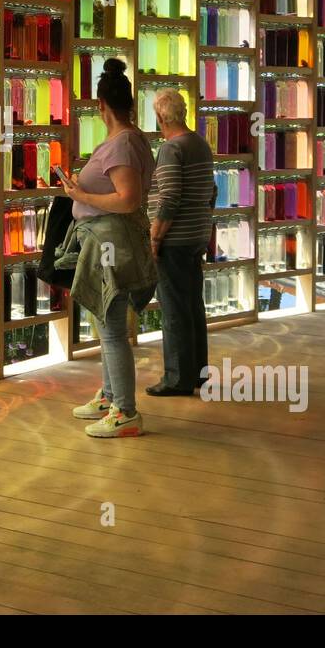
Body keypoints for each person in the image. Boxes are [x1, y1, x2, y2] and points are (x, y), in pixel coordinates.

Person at [58, 59, 157, 437]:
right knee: (105, 322)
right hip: (105, 241)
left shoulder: (123, 142)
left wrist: (79, 194)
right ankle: (111, 395)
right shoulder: (127, 139)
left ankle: (125, 411)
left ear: (101, 105)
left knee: (112, 328)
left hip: (111, 244)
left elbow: (128, 199)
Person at [144, 89, 215, 396]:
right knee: (192, 306)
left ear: (160, 117)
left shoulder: (171, 149)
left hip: (174, 240)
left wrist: (155, 236)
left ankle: (177, 378)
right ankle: (198, 372)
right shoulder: (200, 143)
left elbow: (169, 198)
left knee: (173, 309)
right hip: (197, 235)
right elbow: (210, 190)